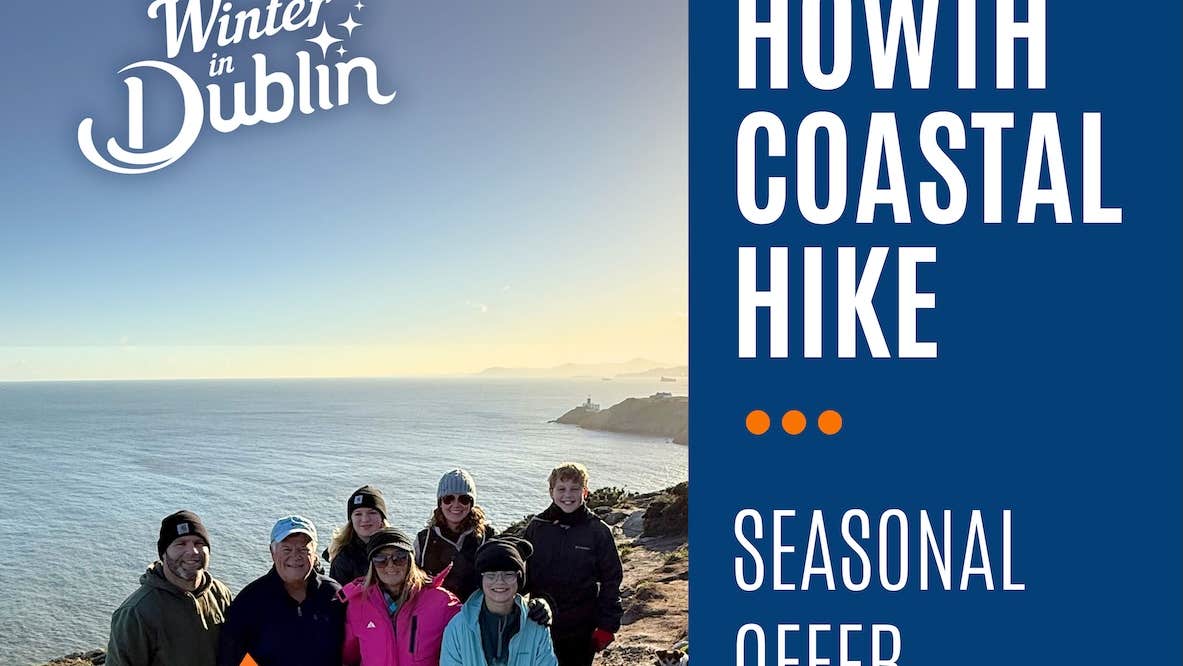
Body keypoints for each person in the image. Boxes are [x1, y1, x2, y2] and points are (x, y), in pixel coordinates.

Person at [524, 463, 623, 666]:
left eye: (574, 489)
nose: (567, 495)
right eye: (561, 489)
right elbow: (522, 573)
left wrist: (607, 625)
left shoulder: (598, 531)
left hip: (582, 629)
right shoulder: (537, 527)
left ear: (585, 492)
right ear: (551, 492)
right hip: (539, 623)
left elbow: (611, 580)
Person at [107, 510, 233, 666]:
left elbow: (238, 650)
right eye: (181, 544)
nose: (192, 551)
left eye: (198, 543)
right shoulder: (136, 612)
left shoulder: (220, 594)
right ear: (164, 553)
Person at [217, 515, 345, 666]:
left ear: (314, 552)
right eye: (286, 549)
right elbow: (232, 655)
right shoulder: (249, 601)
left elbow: (352, 648)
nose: (295, 556)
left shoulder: (333, 594)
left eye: (303, 549)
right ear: (272, 552)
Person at [340, 527, 462, 665]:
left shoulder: (442, 602)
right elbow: (349, 656)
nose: (390, 565)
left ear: (410, 560)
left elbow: (463, 651)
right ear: (372, 565)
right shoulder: (358, 604)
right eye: (381, 559)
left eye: (399, 558)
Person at [440, 538, 558, 666]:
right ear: (481, 579)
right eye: (491, 574)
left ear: (519, 578)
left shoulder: (536, 626)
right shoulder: (458, 627)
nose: (500, 581)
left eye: (508, 574)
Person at [415, 469, 496, 601]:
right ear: (440, 502)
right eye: (448, 499)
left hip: (476, 613)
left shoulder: (488, 538)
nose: (456, 505)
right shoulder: (423, 540)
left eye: (464, 499)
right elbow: (410, 580)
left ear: (472, 503)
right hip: (436, 613)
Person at [326, 485, 391, 584]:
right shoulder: (343, 558)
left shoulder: (398, 550)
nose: (365, 519)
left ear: (382, 517)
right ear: (351, 519)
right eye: (358, 514)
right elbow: (337, 597)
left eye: (372, 513)